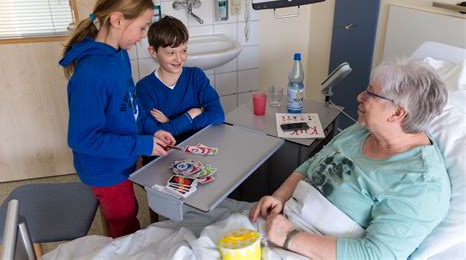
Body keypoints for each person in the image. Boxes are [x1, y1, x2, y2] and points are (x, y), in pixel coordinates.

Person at [249, 60, 451, 259]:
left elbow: (377, 255)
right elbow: (314, 162)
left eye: (370, 93)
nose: (359, 96)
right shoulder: (362, 131)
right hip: (282, 222)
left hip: (304, 248)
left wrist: (288, 236)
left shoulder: (421, 184)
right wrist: (280, 196)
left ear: (397, 113)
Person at [59, 0, 176, 238]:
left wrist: (151, 132)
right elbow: (81, 139)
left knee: (129, 211)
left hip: (121, 160)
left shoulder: (118, 54)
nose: (144, 34)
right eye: (143, 27)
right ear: (118, 20)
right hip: (104, 171)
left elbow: (130, 106)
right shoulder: (92, 73)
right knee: (125, 227)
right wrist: (141, 145)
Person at [136, 16, 225, 165]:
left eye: (183, 50)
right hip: (163, 159)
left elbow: (217, 114)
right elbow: (160, 137)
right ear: (153, 51)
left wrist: (171, 122)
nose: (179, 58)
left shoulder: (195, 76)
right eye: (171, 53)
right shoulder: (144, 88)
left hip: (198, 153)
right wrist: (191, 114)